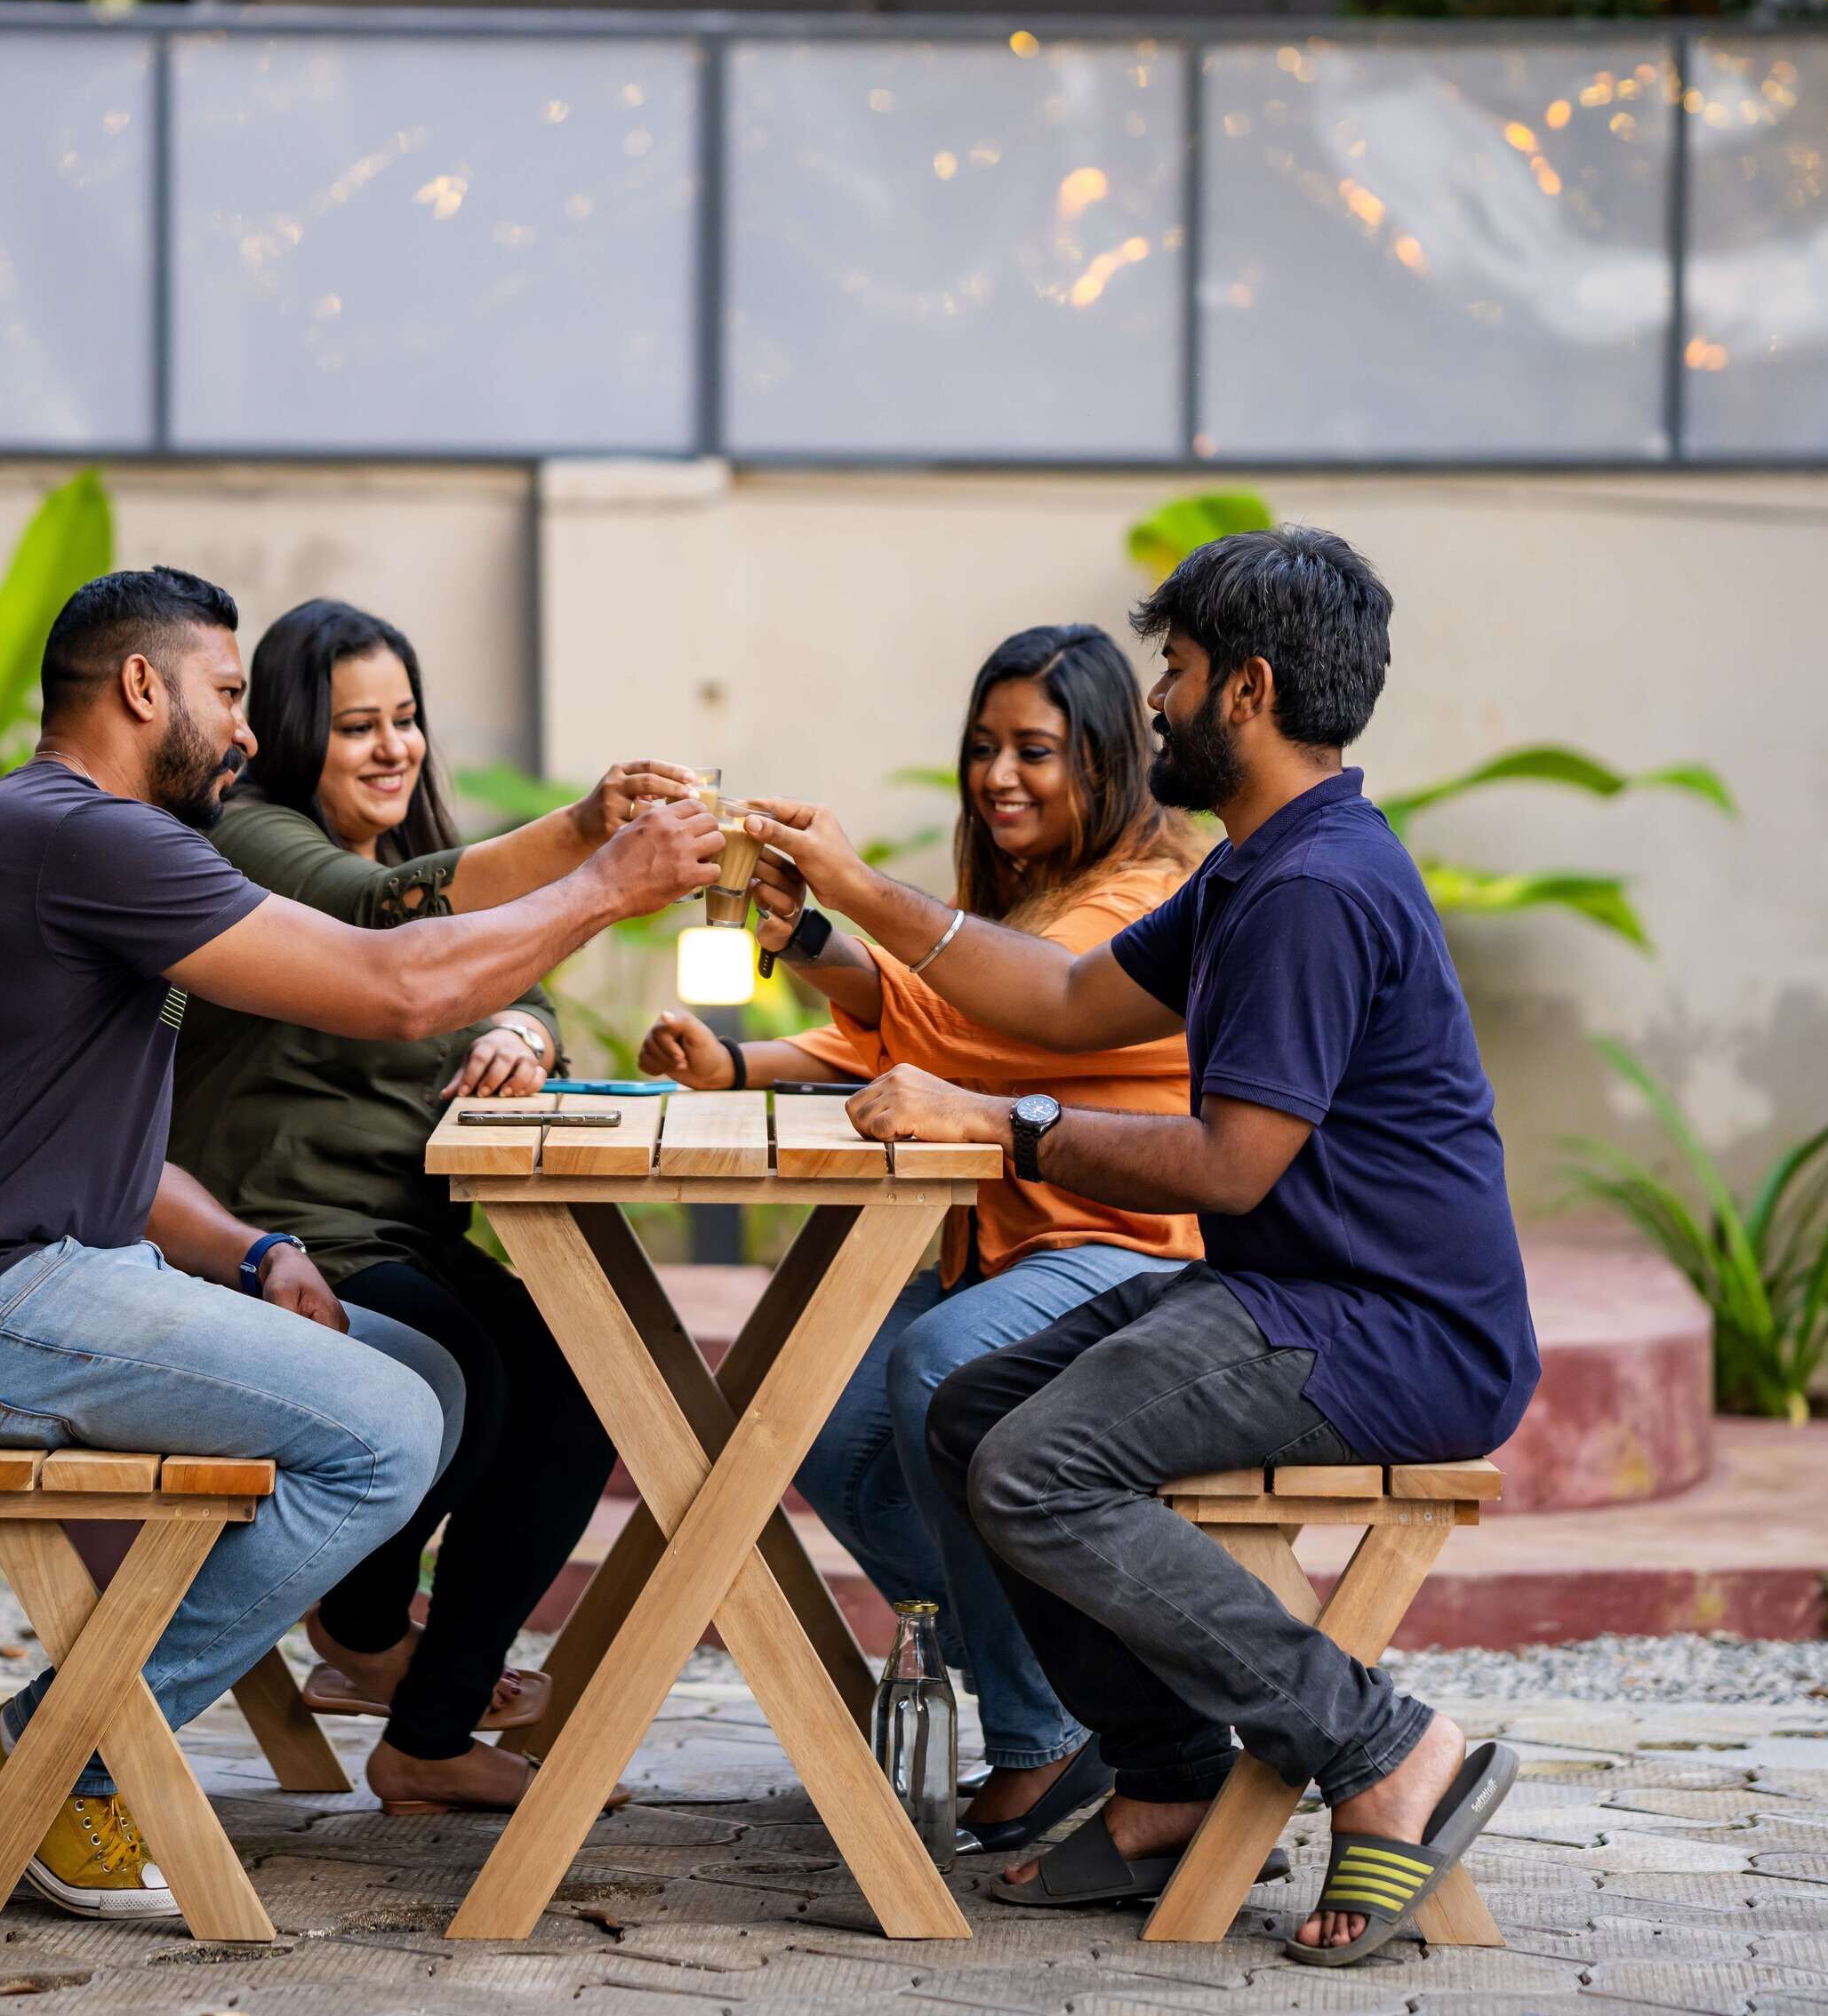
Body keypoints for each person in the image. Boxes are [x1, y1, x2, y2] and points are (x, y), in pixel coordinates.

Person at [0, 566, 719, 1918]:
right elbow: (393, 981)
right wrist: (606, 883)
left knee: (430, 1375)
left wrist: (249, 1252)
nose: (248, 732)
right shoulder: (84, 835)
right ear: (144, 688)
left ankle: (197, 1710)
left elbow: (114, 1154)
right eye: (230, 693)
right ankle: (59, 1757)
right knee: (388, 1427)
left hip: (59, 1281)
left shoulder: (78, 840)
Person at [739, 528, 1538, 1967]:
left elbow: (1231, 1162)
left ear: (1248, 689)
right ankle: (1166, 1777)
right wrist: (851, 891)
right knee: (968, 1410)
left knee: (1035, 1469)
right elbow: (1059, 1000)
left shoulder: (1313, 891)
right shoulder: (1251, 872)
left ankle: (1380, 1744)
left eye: (1175, 671)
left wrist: (1004, 1127)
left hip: (1389, 1331)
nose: (1156, 701)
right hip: (1289, 1296)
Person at [634, 624, 1203, 1854]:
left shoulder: (1149, 897)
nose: (999, 776)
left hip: (1135, 1250)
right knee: (821, 1409)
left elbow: (995, 1026)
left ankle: (1045, 1737)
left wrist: (843, 901)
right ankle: (1069, 1680)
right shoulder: (1030, 899)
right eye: (984, 748)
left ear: (1108, 758)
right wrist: (746, 1045)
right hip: (1009, 1250)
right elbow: (920, 1033)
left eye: (1035, 751)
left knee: (941, 1367)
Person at [170, 596, 688, 1818]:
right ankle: (361, 1622)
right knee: (467, 1373)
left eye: (405, 720)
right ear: (296, 735)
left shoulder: (429, 865)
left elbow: (511, 970)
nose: (393, 748)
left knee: (584, 1376)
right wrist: (586, 840)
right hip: (278, 1238)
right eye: (358, 727)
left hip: (407, 1231)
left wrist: (520, 1029)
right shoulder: (255, 842)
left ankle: (428, 1735)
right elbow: (378, 918)